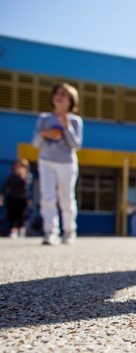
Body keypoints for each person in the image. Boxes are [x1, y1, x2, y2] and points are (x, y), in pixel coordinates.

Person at [32, 83, 83, 245]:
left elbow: (76, 144)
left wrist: (66, 126)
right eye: (57, 93)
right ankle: (50, 231)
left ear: (71, 101)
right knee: (47, 197)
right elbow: (35, 143)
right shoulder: (44, 118)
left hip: (66, 163)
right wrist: (44, 133)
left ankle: (69, 231)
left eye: (64, 95)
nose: (60, 97)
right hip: (46, 160)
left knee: (66, 198)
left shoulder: (75, 121)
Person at [1, 159, 32, 238]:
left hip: (23, 198)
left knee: (22, 214)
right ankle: (13, 230)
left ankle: (21, 229)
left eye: (23, 166)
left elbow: (27, 188)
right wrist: (1, 195)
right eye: (18, 166)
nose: (20, 168)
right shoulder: (12, 176)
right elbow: (5, 187)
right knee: (12, 214)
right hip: (12, 198)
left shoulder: (28, 176)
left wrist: (23, 176)